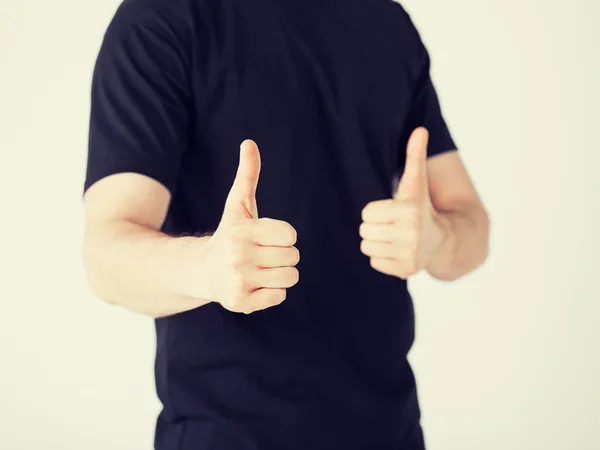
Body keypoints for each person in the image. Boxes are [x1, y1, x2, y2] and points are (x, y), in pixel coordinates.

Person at [82, 0, 490, 448]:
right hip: (228, 434)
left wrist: (435, 240)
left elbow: (470, 222)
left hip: (390, 430)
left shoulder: (386, 21)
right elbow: (105, 256)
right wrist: (206, 267)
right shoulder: (163, 16)